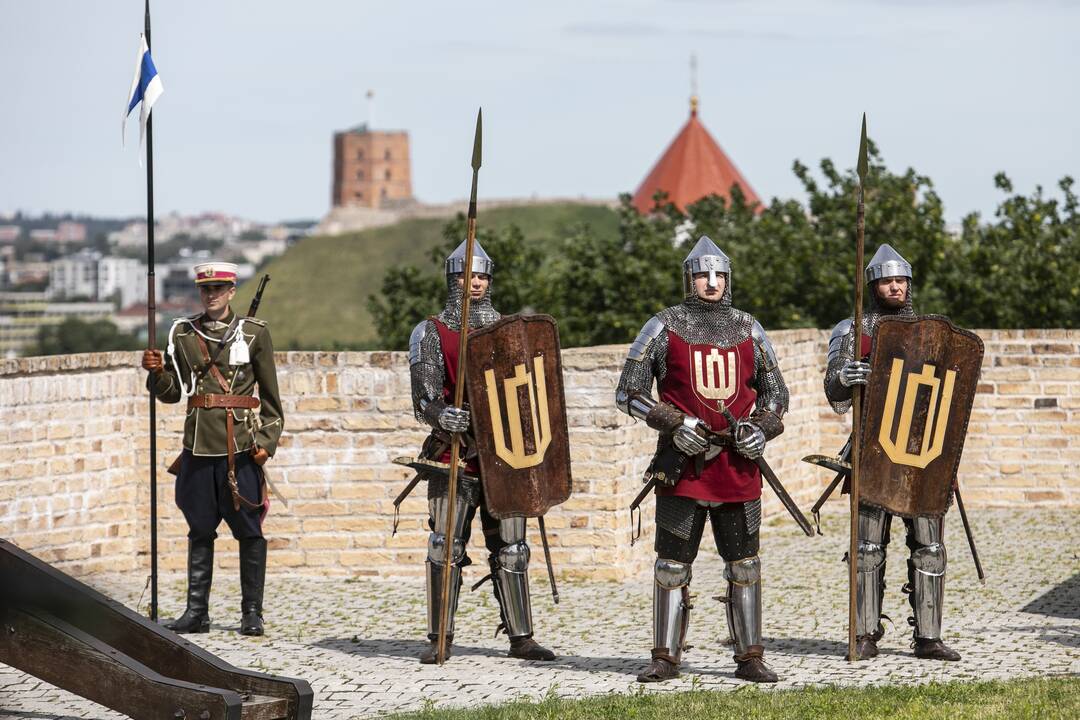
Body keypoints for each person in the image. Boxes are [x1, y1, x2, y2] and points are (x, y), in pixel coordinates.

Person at [615, 236, 789, 683]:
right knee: (672, 565)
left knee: (744, 564)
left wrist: (760, 428)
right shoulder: (662, 325)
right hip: (682, 463)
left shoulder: (749, 327)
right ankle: (665, 656)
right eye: (702, 275)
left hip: (736, 463)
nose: (711, 282)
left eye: (719, 276)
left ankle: (750, 656)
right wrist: (672, 423)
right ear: (689, 279)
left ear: (728, 281)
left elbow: (776, 395)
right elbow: (628, 392)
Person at [407, 240, 556, 664]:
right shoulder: (432, 331)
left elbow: (528, 393)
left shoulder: (510, 331)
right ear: (451, 278)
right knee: (445, 544)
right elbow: (423, 398)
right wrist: (442, 414)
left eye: (481, 275)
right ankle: (441, 636)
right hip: (453, 451)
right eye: (466, 275)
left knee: (512, 547)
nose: (474, 282)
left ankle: (521, 637)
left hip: (506, 454)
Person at [824, 243, 961, 661]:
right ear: (873, 284)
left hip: (923, 453)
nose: (896, 287)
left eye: (901, 280)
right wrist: (847, 375)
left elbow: (950, 394)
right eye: (887, 280)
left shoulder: (932, 332)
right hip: (872, 450)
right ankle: (865, 634)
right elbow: (834, 391)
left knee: (930, 545)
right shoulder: (852, 331)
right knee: (867, 548)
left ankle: (929, 636)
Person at [141, 262, 283, 636]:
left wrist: (266, 444)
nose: (212, 295)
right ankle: (196, 612)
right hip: (199, 447)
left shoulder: (255, 334)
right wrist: (156, 373)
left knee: (250, 531)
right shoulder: (182, 333)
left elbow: (271, 400)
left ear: (232, 291)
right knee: (199, 529)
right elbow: (173, 394)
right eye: (206, 290)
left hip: (242, 445)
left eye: (219, 289)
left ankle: (252, 613)